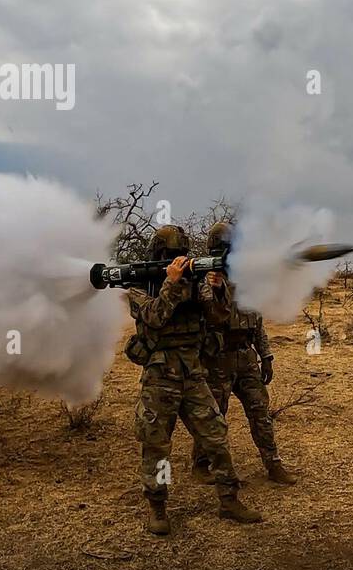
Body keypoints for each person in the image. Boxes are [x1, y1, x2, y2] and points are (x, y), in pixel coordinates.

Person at [127, 225, 260, 535]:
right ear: (160, 255)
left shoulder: (195, 282)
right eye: (172, 256)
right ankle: (158, 508)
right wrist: (171, 285)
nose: (179, 261)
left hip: (193, 372)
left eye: (182, 256)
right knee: (156, 444)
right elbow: (154, 318)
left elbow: (218, 317)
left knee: (215, 436)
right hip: (160, 377)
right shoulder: (140, 286)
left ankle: (229, 500)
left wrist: (216, 289)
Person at [193, 222, 299, 486]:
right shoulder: (206, 281)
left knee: (260, 411)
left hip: (246, 355)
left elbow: (257, 321)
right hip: (218, 357)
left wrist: (266, 356)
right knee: (214, 415)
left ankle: (273, 464)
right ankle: (201, 462)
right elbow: (208, 312)